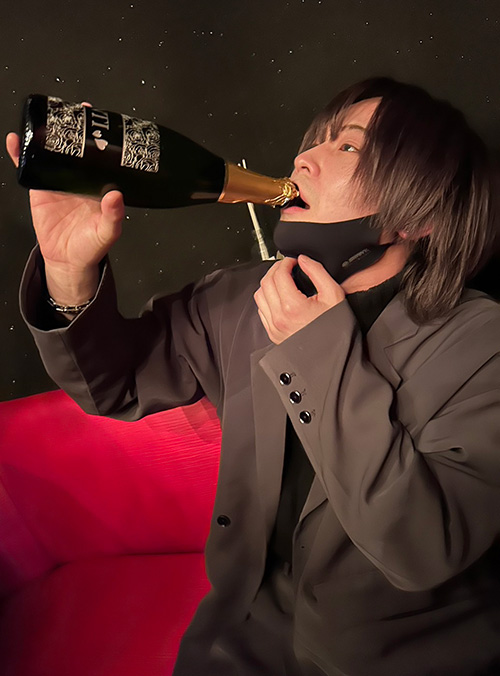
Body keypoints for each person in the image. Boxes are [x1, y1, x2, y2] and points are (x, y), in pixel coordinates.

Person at [8, 77, 500, 676]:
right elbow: (114, 385)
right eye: (317, 140)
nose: (304, 158)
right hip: (240, 634)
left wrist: (317, 349)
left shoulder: (482, 345)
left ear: (418, 217)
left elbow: (421, 547)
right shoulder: (243, 297)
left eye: (348, 146)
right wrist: (68, 271)